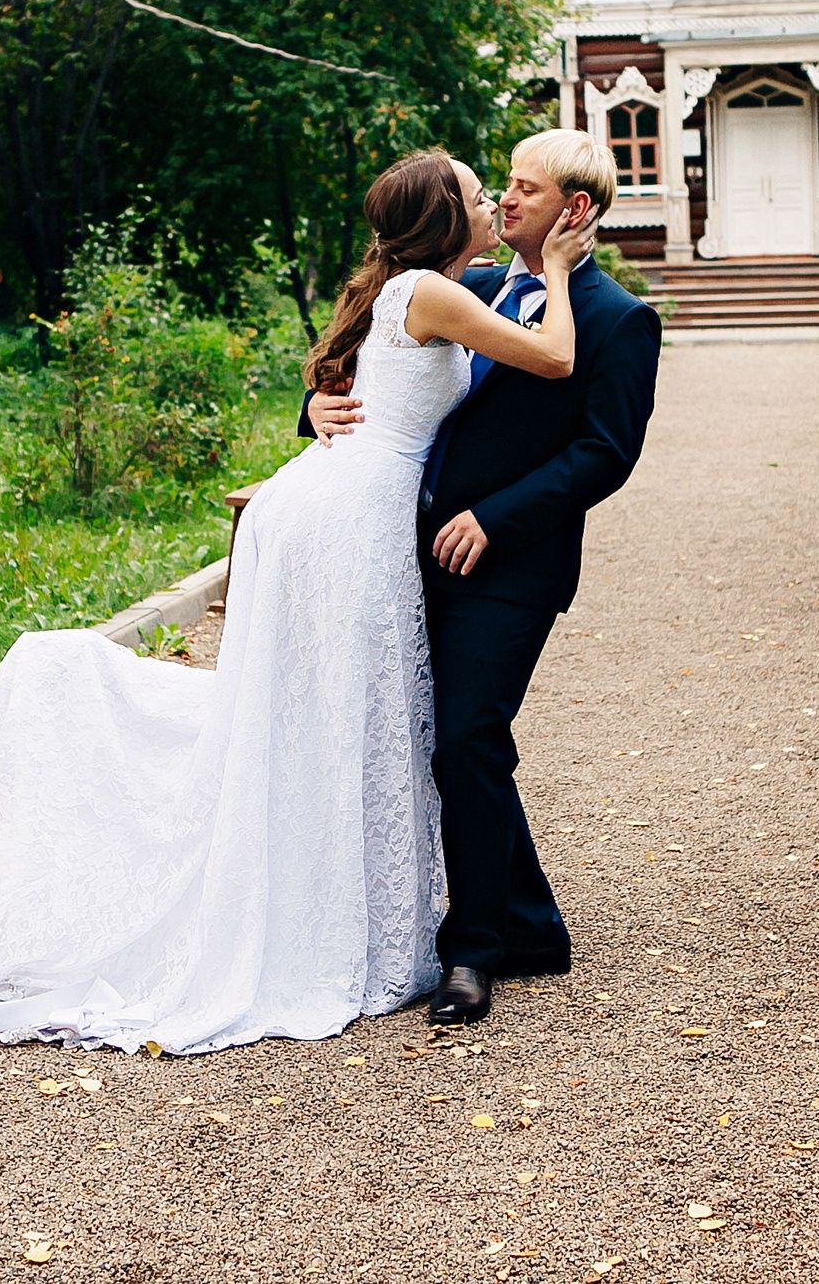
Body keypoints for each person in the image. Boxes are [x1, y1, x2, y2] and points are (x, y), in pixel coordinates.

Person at [0, 149, 598, 1055]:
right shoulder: (433, 292)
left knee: (336, 712)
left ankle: (347, 903)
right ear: (445, 222)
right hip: (348, 516)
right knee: (345, 711)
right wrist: (552, 267)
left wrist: (321, 398)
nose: (494, 203)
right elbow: (551, 356)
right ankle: (322, 917)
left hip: (333, 500)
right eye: (480, 195)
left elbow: (368, 378)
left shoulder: (414, 289)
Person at [306, 128, 661, 1027]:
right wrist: (313, 405)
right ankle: (531, 924)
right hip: (401, 553)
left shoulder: (620, 319)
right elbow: (370, 366)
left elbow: (604, 455)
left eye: (525, 189)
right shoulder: (464, 287)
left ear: (574, 211)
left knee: (464, 734)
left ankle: (472, 951)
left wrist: (494, 520)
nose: (504, 202)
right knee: (449, 736)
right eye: (498, 186)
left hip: (512, 568)